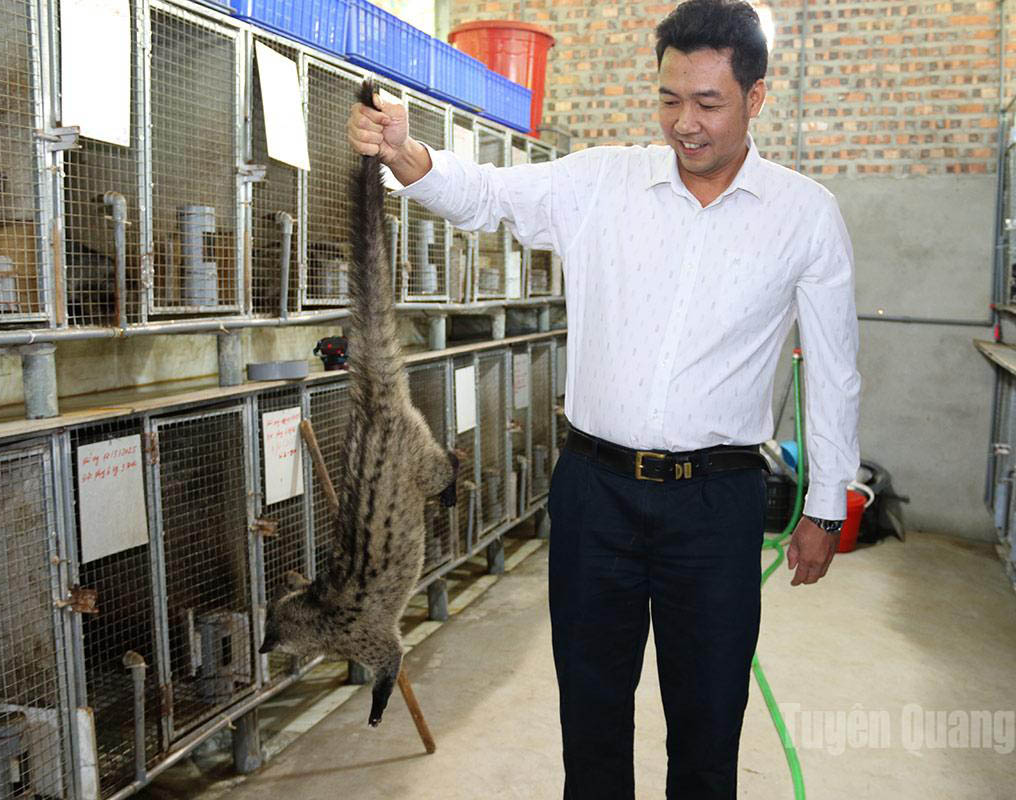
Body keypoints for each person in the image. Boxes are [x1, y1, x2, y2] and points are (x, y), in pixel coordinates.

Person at [346, 0, 860, 796]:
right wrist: (406, 152)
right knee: (589, 715)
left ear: (756, 98)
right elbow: (485, 195)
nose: (685, 123)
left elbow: (834, 372)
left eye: (708, 102)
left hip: (717, 503)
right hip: (597, 494)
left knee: (708, 719)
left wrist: (826, 508)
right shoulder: (602, 182)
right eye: (669, 99)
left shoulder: (805, 217)